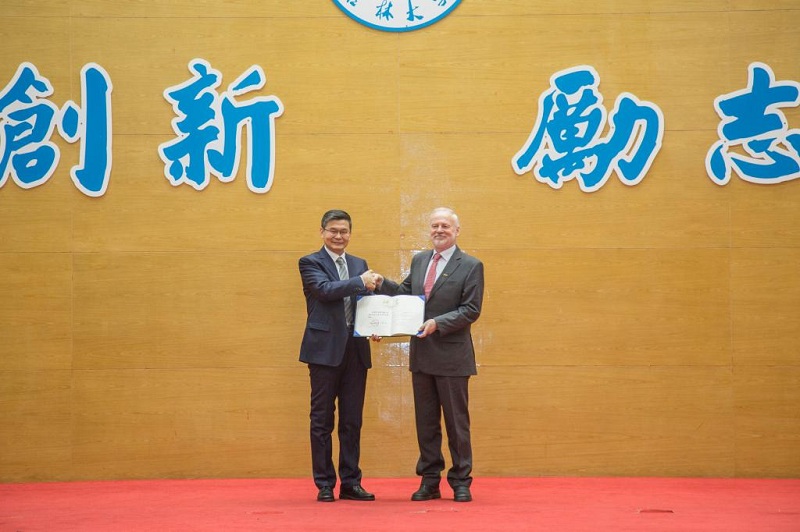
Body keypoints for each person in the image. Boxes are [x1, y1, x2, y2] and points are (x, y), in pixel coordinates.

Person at [376, 207, 484, 503]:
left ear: (456, 231)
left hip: (453, 358)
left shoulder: (471, 265)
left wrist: (438, 323)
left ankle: (461, 481)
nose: (439, 230)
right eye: (435, 225)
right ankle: (430, 480)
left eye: (445, 226)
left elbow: (471, 309)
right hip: (422, 356)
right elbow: (405, 295)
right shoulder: (420, 260)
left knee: (456, 424)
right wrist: (381, 284)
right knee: (426, 423)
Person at [298, 209, 380, 502]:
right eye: (333, 230)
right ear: (322, 232)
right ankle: (324, 483)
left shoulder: (359, 264)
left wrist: (376, 325)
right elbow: (324, 290)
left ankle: (351, 482)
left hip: (356, 351)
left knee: (351, 421)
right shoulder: (310, 262)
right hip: (323, 351)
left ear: (350, 234)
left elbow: (367, 302)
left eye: (344, 231)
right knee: (321, 420)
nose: (338, 236)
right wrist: (360, 282)